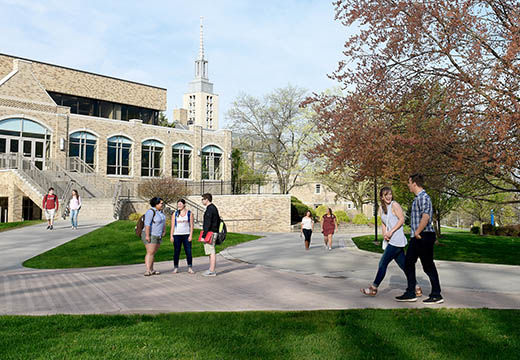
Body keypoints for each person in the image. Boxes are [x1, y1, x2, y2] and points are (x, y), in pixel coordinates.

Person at [361, 187, 422, 297]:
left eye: (390, 194)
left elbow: (401, 219)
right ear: (382, 197)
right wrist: (385, 234)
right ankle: (416, 287)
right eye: (386, 195)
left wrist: (391, 231)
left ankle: (373, 288)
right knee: (404, 265)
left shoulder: (395, 205)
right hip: (391, 240)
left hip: (397, 239)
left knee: (382, 263)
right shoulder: (381, 208)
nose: (389, 196)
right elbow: (384, 223)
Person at [396, 174, 444, 304]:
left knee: (428, 265)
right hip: (417, 236)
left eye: (409, 182)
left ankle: (436, 294)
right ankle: (410, 292)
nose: (408, 185)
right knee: (408, 263)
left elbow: (426, 217)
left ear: (415, 184)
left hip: (424, 235)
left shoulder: (423, 198)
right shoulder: (417, 198)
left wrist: (417, 232)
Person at [142, 197, 166, 277]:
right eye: (161, 203)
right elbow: (147, 224)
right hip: (151, 234)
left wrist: (163, 231)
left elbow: (163, 222)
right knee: (150, 252)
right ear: (156, 204)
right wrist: (147, 236)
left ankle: (152, 269)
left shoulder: (160, 212)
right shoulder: (151, 212)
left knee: (153, 253)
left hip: (158, 235)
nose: (162, 204)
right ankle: (148, 270)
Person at [170, 199, 194, 274]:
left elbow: (191, 225)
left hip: (186, 235)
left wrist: (190, 235)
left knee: (188, 251)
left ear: (184, 204)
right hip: (177, 235)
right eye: (178, 204)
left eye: (180, 204)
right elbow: (172, 226)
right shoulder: (175, 213)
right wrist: (171, 236)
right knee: (176, 251)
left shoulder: (189, 213)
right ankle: (176, 267)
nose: (179, 206)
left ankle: (190, 267)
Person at [200, 193, 220, 276]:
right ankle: (211, 269)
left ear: (206, 199)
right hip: (213, 232)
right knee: (211, 251)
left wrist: (203, 236)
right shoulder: (213, 208)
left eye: (202, 199)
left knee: (211, 251)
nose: (202, 201)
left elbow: (207, 224)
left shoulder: (210, 209)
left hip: (210, 233)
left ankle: (212, 270)